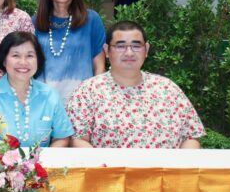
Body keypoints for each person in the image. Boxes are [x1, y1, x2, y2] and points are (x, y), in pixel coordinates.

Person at [67, 21, 205, 148]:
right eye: (120, 46)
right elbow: (78, 140)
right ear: (107, 50)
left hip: (167, 168)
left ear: (146, 49)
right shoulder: (88, 91)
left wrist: (181, 165)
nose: (129, 53)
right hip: (108, 167)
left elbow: (191, 137)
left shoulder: (168, 89)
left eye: (136, 46)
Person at [0, 32, 73, 147]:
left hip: (42, 159)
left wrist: (46, 157)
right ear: (4, 60)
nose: (23, 62)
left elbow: (62, 137)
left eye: (30, 56)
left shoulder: (50, 95)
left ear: (38, 60)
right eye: (16, 55)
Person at [32, 0, 106, 101]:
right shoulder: (34, 23)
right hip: (43, 103)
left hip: (82, 103)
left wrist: (97, 100)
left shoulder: (92, 20)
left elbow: (99, 68)